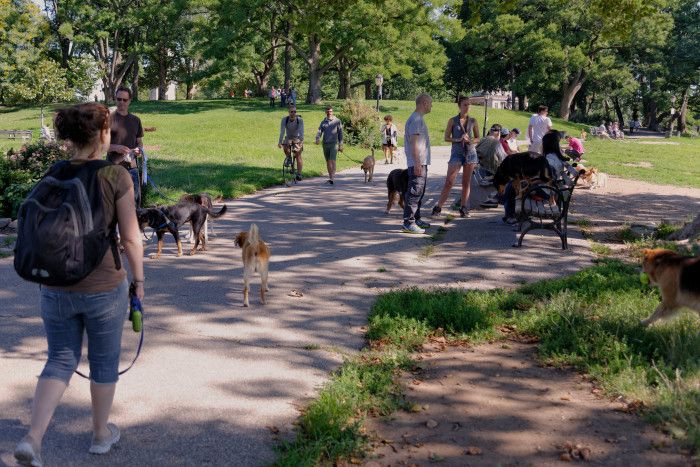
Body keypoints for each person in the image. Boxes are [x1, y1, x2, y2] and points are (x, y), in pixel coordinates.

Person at [14, 103, 145, 466]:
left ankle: (33, 438)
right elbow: (131, 239)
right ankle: (101, 435)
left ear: (70, 137)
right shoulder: (116, 177)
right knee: (103, 362)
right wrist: (139, 283)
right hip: (103, 286)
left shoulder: (52, 172)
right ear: (105, 134)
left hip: (54, 285)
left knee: (59, 358)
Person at [431, 97, 479, 218]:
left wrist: (471, 140)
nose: (467, 107)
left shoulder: (473, 121)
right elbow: (446, 137)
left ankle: (463, 208)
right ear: (459, 106)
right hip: (457, 152)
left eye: (468, 105)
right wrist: (458, 139)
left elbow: (478, 138)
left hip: (470, 153)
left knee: (466, 182)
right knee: (449, 181)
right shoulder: (452, 120)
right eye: (464, 105)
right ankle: (438, 207)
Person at [107, 87, 144, 207]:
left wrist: (139, 150)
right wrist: (115, 147)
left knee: (135, 204)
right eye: (119, 99)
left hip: (132, 168)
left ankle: (134, 226)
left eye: (125, 99)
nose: (121, 102)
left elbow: (139, 142)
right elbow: (100, 145)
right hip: (113, 168)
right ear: (115, 99)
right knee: (112, 206)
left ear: (129, 101)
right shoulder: (108, 120)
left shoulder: (136, 120)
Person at [402, 93, 433, 234]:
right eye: (430, 103)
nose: (432, 106)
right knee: (414, 192)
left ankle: (417, 218)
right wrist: (417, 163)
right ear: (424, 103)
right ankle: (409, 222)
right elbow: (414, 143)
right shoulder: (416, 120)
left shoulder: (418, 119)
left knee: (419, 192)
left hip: (420, 162)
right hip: (417, 162)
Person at [475, 124, 506, 208]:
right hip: (491, 171)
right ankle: (497, 198)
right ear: (498, 133)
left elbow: (475, 151)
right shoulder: (496, 143)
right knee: (508, 174)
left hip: (480, 169)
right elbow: (504, 158)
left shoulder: (483, 140)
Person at [315, 106, 343, 185]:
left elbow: (340, 133)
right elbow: (319, 131)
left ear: (332, 112)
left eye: (330, 111)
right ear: (325, 112)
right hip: (325, 144)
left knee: (332, 160)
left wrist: (341, 144)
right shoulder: (323, 122)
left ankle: (332, 178)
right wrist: (317, 138)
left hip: (334, 144)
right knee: (328, 161)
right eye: (327, 111)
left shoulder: (337, 121)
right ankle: (330, 176)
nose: (329, 113)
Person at [278, 105, 304, 181]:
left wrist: (300, 142)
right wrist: (280, 142)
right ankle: (289, 158)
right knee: (285, 145)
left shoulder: (299, 120)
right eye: (291, 112)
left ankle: (299, 174)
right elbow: (282, 131)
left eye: (295, 112)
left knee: (298, 154)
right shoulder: (284, 120)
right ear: (288, 112)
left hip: (297, 138)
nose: (293, 113)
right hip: (288, 137)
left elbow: (301, 132)